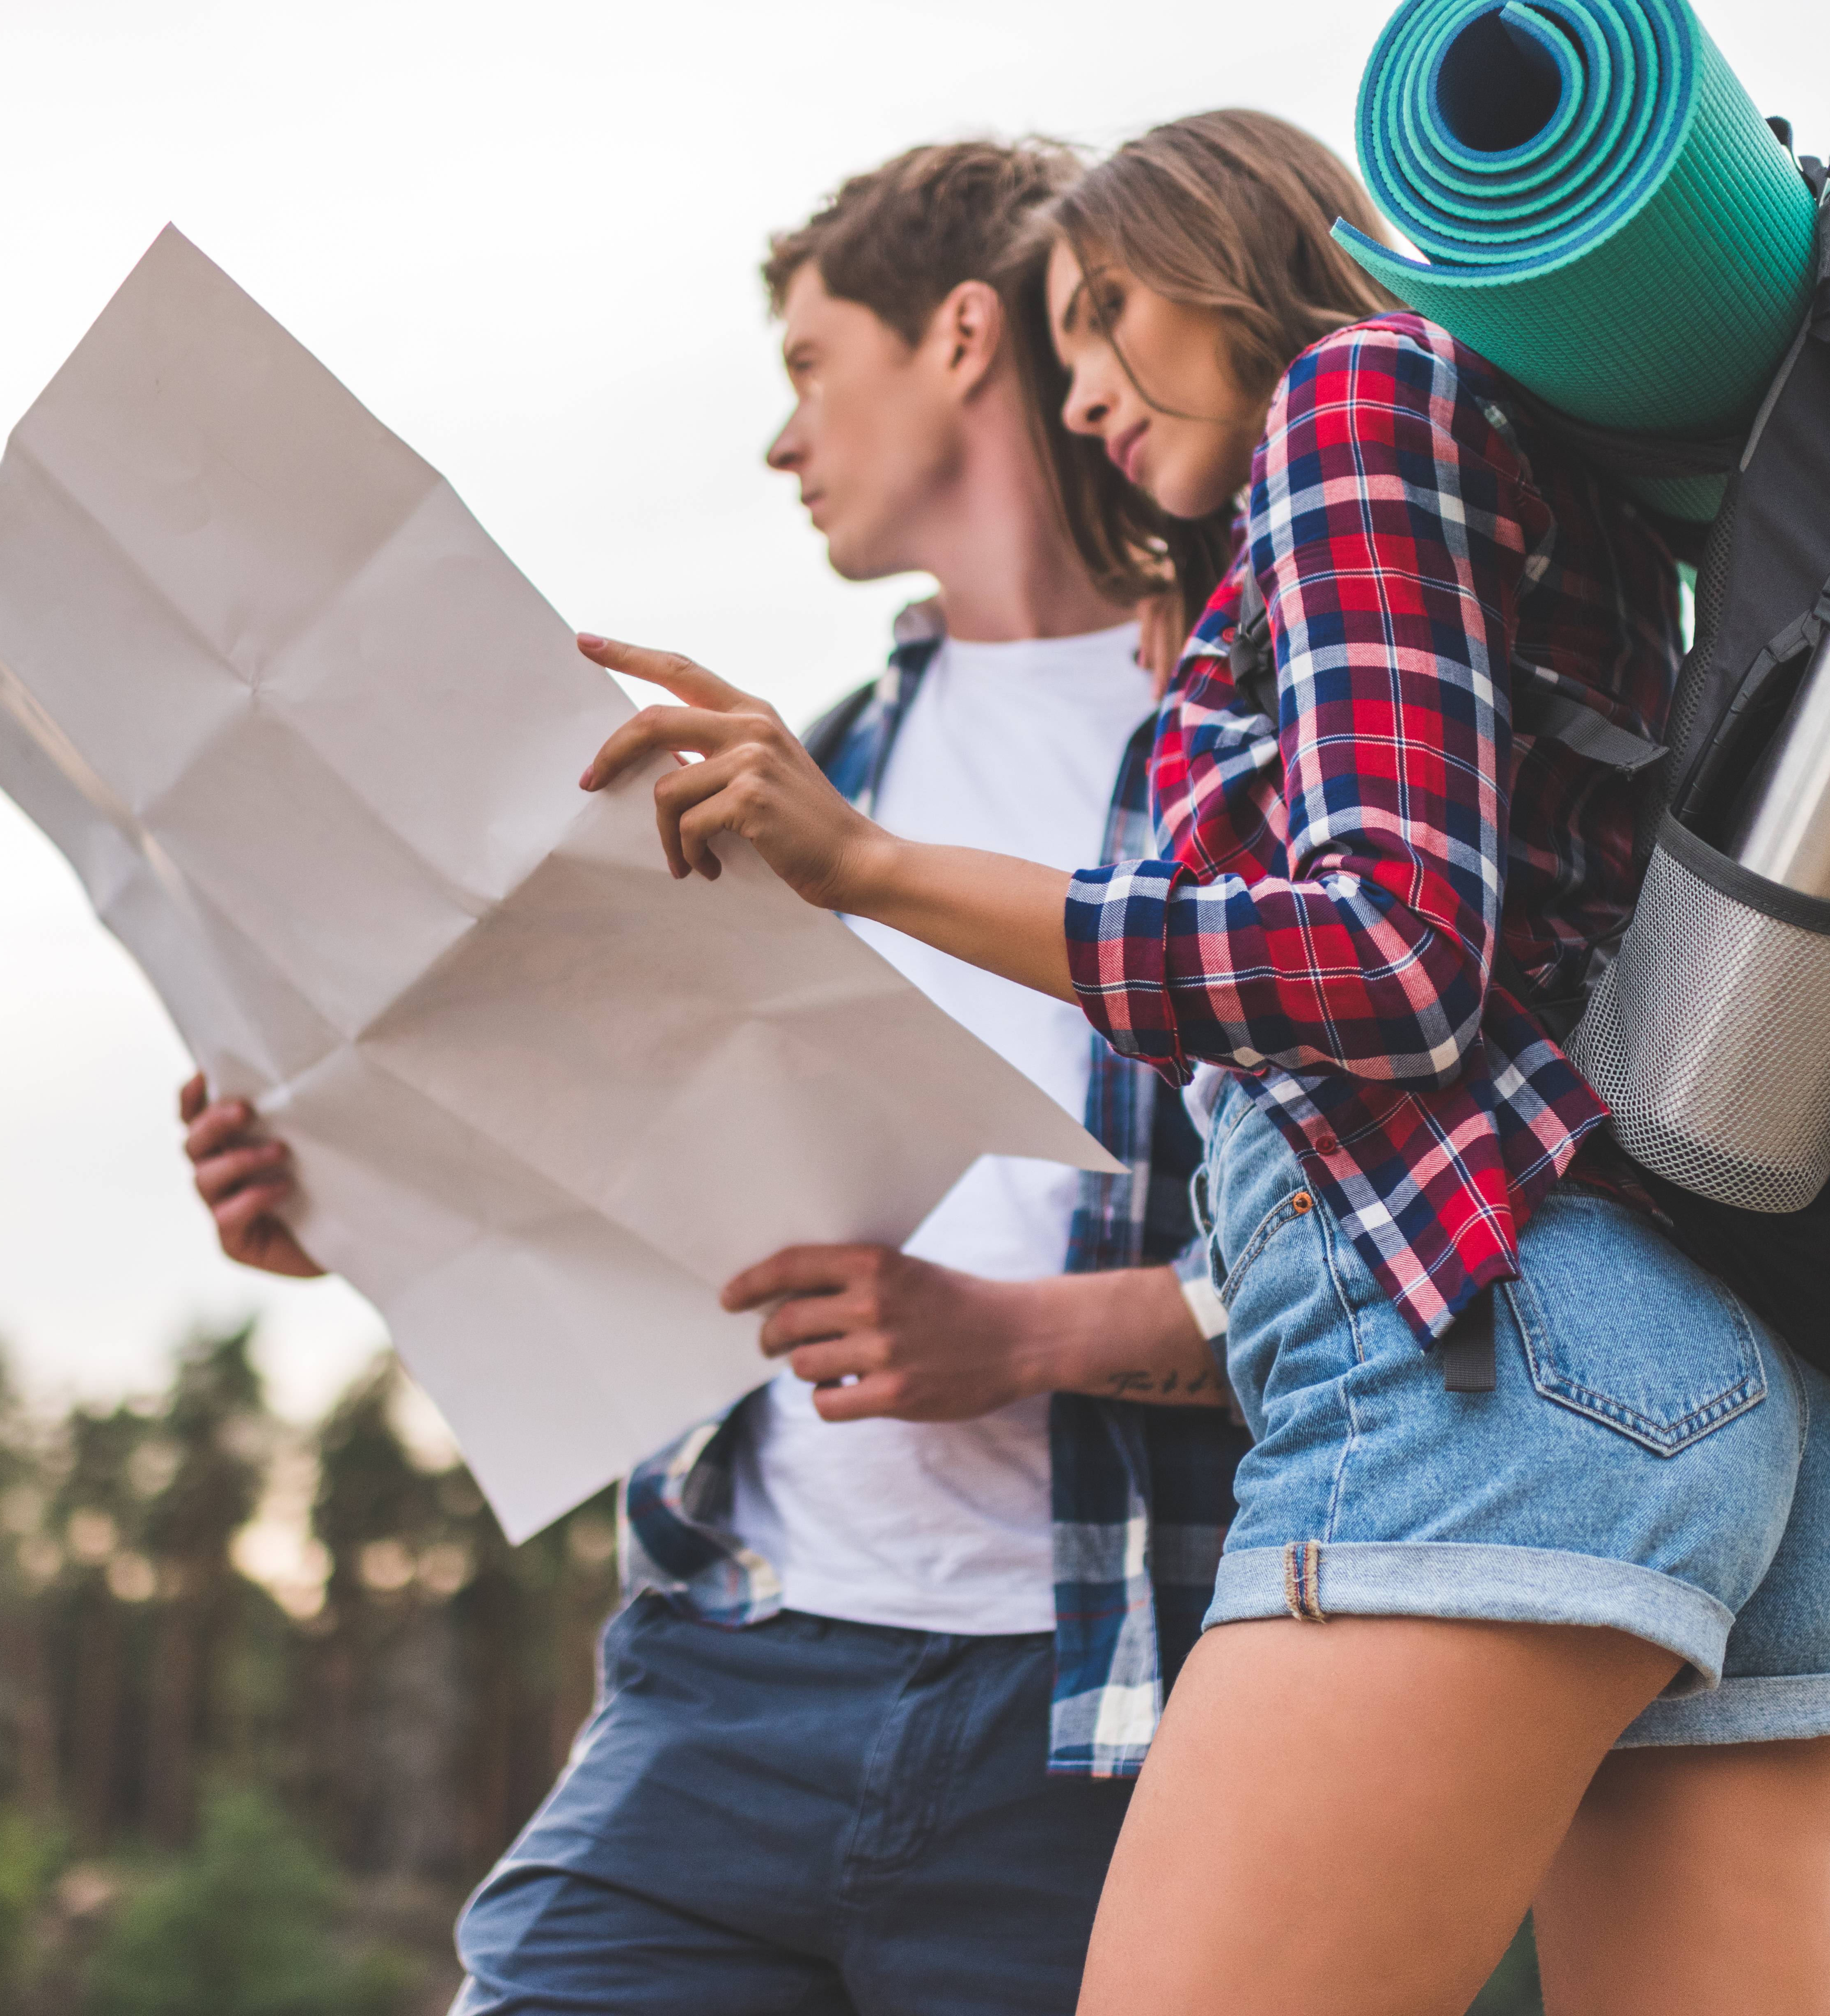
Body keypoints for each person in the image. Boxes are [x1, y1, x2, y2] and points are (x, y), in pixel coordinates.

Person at [571, 108, 1830, 2016]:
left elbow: (1389, 950)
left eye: (1107, 311)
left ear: (1236, 259)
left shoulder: (1352, 399)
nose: (1088, 385)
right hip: (1726, 1395)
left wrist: (872, 868)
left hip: (1485, 1381)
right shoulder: (1530, 481)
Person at [181, 138, 1247, 2014]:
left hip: (1102, 1719)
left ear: (963, 339)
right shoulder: (796, 777)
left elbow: (1396, 1270)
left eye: (807, 366)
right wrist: (349, 1207)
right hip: (723, 1685)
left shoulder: (1252, 747)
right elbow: (661, 1209)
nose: (783, 439)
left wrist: (1031, 1333)